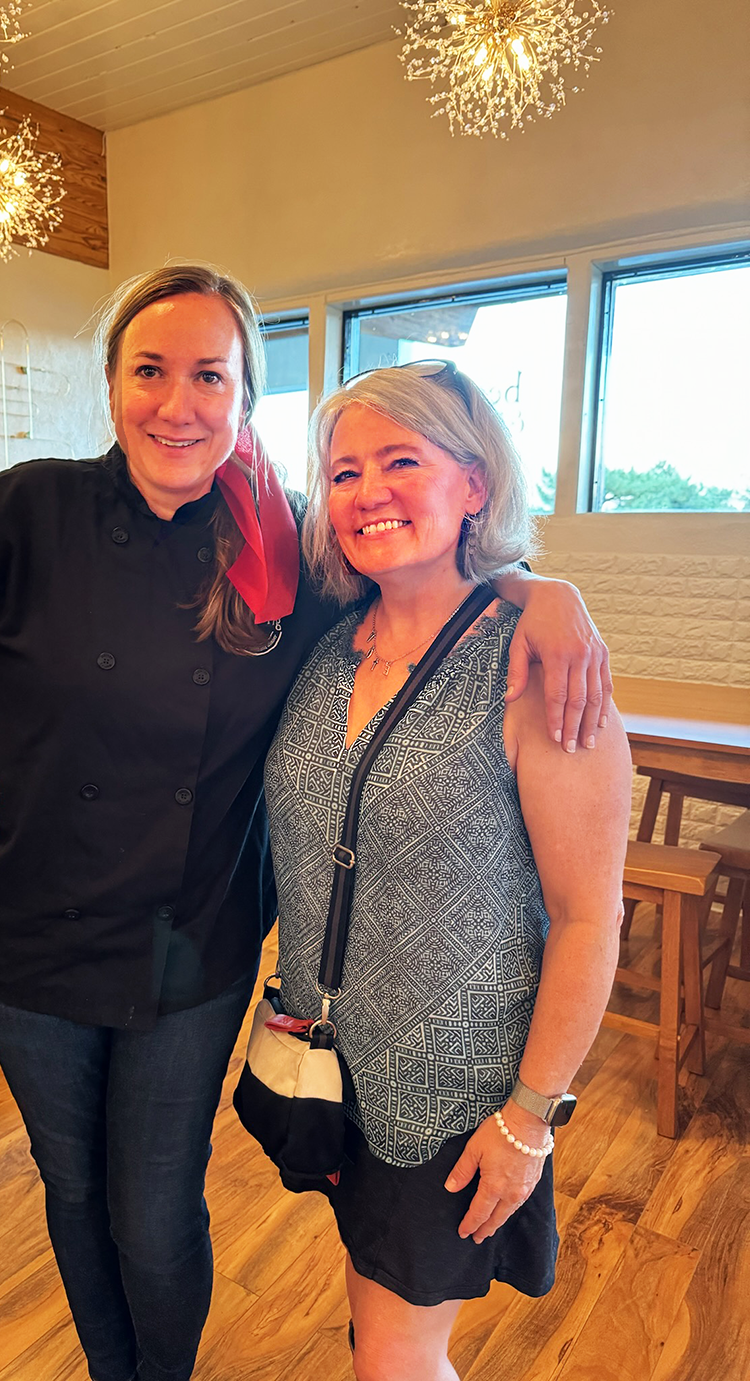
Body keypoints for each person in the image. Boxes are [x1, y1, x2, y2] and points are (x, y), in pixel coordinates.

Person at [0, 265, 613, 1381]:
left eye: (210, 375)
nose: (178, 403)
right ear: (112, 386)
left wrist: (541, 590)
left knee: (153, 1210)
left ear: (246, 399)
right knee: (73, 1187)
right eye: (149, 370)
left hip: (188, 945)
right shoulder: (27, 510)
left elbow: (425, 571)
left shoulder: (286, 547)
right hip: (20, 937)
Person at [265, 361, 631, 1381]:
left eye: (401, 462)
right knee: (374, 1309)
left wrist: (531, 1121)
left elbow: (588, 917)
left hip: (453, 1096)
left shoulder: (538, 671)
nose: (368, 491)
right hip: (329, 1066)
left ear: (473, 483)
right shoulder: (324, 647)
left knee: (395, 1355)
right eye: (344, 472)